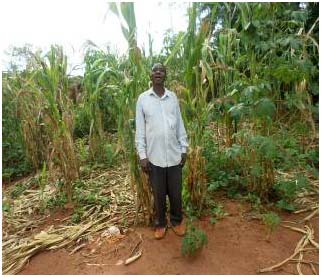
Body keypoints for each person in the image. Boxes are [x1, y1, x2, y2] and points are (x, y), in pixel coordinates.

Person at [135, 63, 188, 239]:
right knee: (158, 194)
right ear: (150, 75)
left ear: (165, 75)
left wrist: (184, 148)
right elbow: (140, 130)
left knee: (175, 193)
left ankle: (177, 221)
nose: (158, 72)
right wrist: (142, 155)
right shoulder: (143, 99)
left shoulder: (172, 98)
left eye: (162, 70)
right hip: (154, 156)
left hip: (173, 154)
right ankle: (160, 223)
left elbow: (180, 124)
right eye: (155, 70)